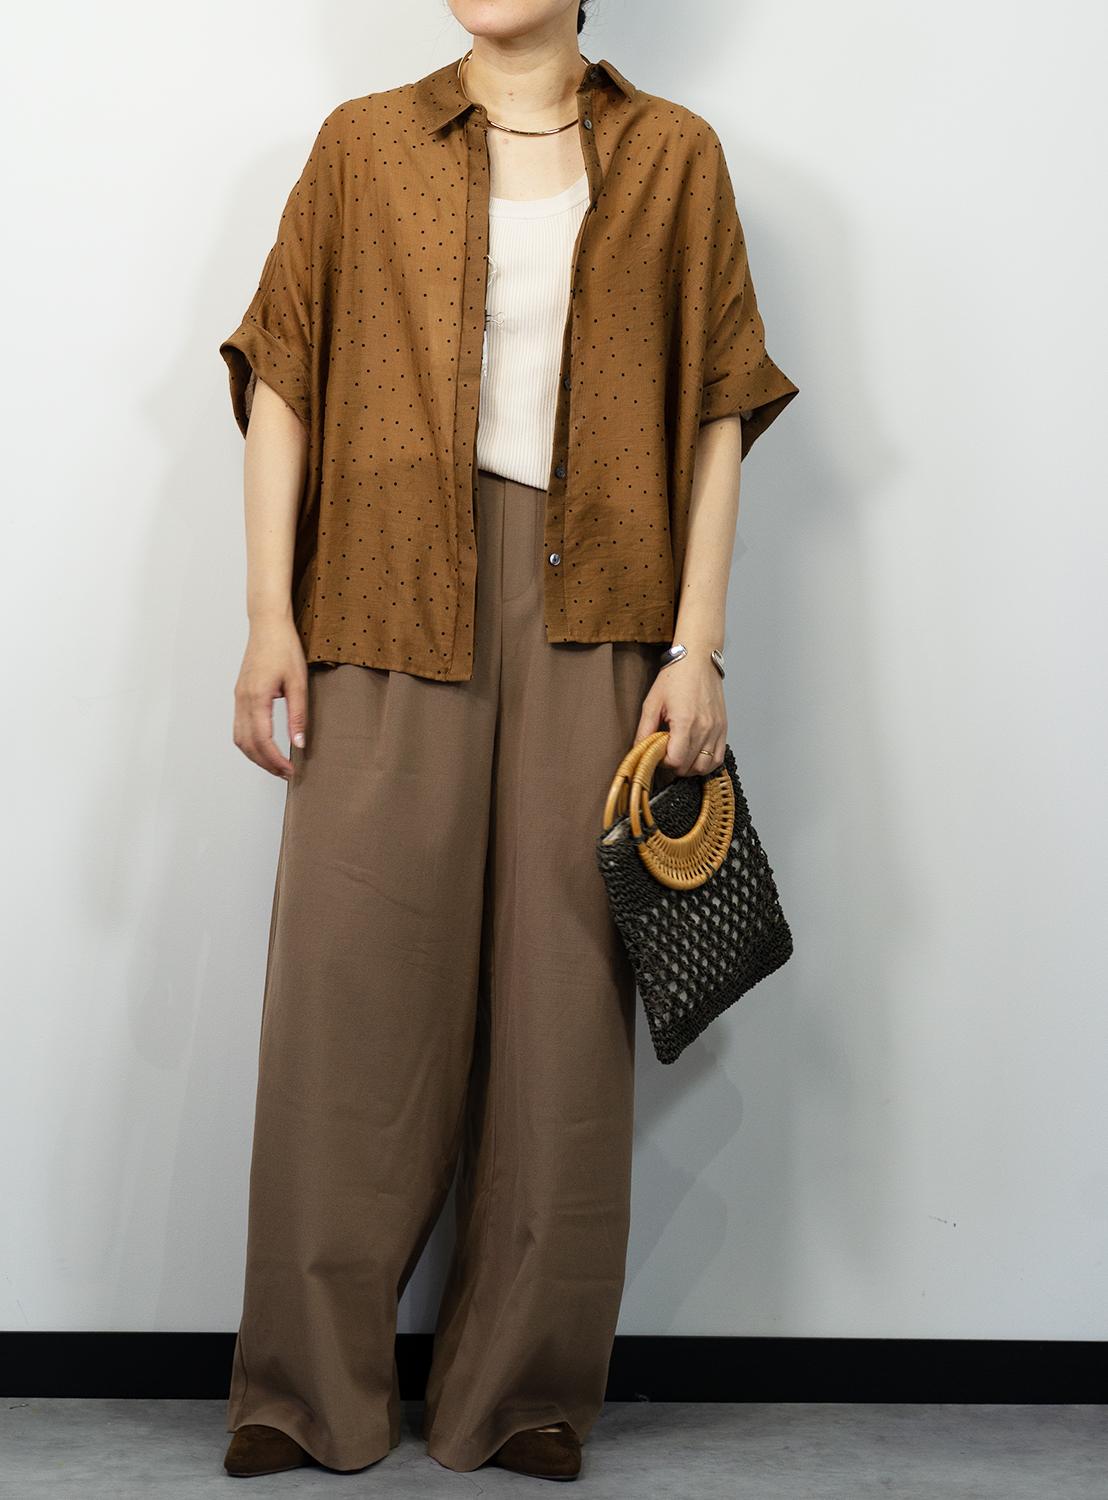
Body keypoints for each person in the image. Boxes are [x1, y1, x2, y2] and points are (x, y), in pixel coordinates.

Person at [219, 0, 798, 1482]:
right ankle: (305, 1389)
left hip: (596, 601)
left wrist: (696, 646)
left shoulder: (675, 158)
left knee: (562, 1009)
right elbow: (283, 375)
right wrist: (269, 617)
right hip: (383, 589)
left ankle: (523, 1391)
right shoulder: (365, 148)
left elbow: (719, 408)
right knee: (350, 998)